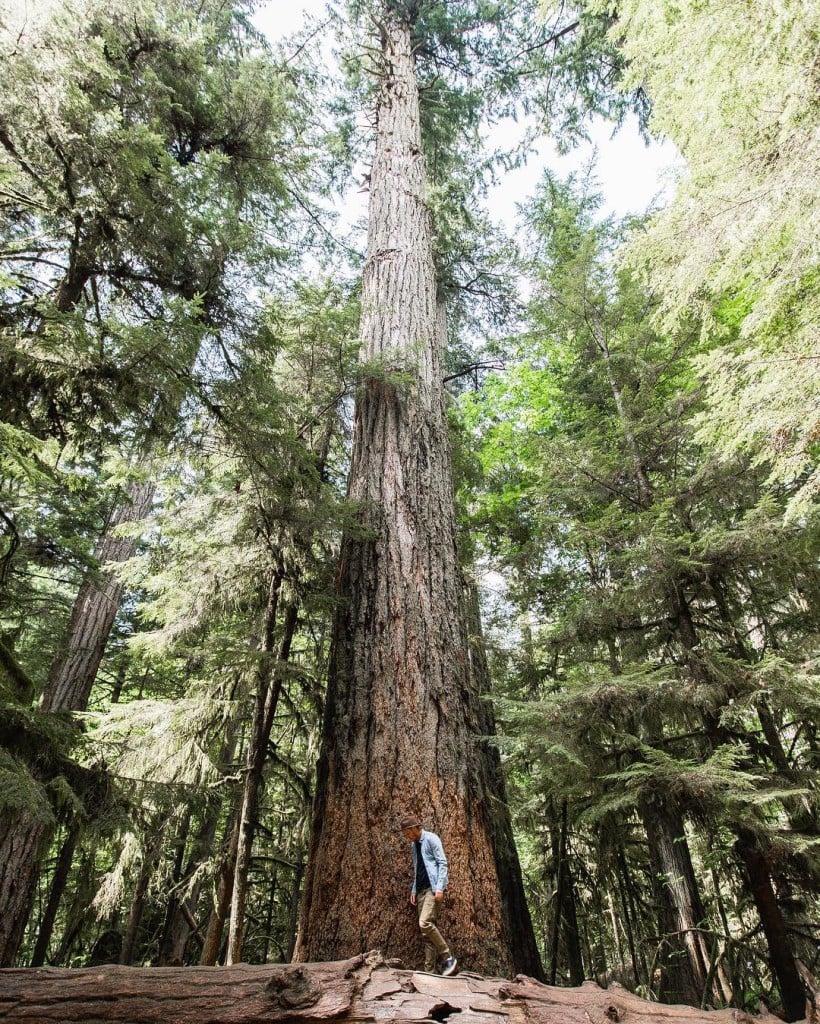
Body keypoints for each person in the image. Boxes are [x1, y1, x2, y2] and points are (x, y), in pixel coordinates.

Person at [399, 815, 458, 976]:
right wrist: (413, 890)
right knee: (426, 935)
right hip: (421, 891)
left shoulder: (431, 839)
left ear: (413, 829)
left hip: (433, 889)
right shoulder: (414, 846)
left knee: (424, 923)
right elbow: (418, 868)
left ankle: (448, 957)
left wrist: (439, 888)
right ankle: (429, 972)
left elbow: (442, 862)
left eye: (407, 833)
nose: (407, 837)